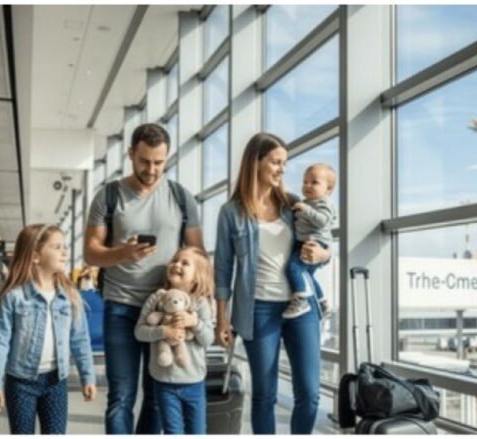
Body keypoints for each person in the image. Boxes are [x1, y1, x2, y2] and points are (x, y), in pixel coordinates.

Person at [83, 123, 204, 434]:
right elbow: (91, 253)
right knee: (121, 396)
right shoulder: (109, 196)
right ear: (130, 154)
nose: (152, 169)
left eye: (159, 162)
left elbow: (198, 254)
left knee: (156, 398)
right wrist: (123, 253)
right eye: (144, 161)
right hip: (121, 306)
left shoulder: (181, 197)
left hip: (166, 309)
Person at [213, 132, 331, 434]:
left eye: (284, 163)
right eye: (276, 162)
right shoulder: (231, 212)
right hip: (257, 309)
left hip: (301, 307)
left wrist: (323, 253)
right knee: (264, 395)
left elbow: (323, 242)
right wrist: (221, 317)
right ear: (256, 162)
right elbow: (223, 268)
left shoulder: (292, 204)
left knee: (309, 393)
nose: (281, 169)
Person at [0, 224, 96, 434]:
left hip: (56, 381)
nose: (65, 252)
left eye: (65, 247)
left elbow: (80, 340)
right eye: (57, 247)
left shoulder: (69, 296)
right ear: (35, 256)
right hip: (20, 382)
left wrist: (87, 376)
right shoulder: (14, 298)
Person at [134, 247, 215, 434]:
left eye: (185, 263)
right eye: (175, 260)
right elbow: (139, 332)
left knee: (197, 432)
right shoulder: (157, 299)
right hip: (164, 382)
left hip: (194, 382)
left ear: (197, 277)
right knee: (172, 431)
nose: (177, 265)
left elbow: (207, 339)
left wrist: (194, 322)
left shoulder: (200, 304)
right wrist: (163, 331)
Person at [283, 163, 337, 319]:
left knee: (293, 268)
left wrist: (305, 210)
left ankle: (300, 300)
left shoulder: (323, 203)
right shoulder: (307, 203)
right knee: (307, 275)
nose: (307, 185)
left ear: (328, 189)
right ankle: (322, 302)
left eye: (314, 182)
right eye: (305, 182)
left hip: (315, 243)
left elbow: (323, 221)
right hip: (305, 242)